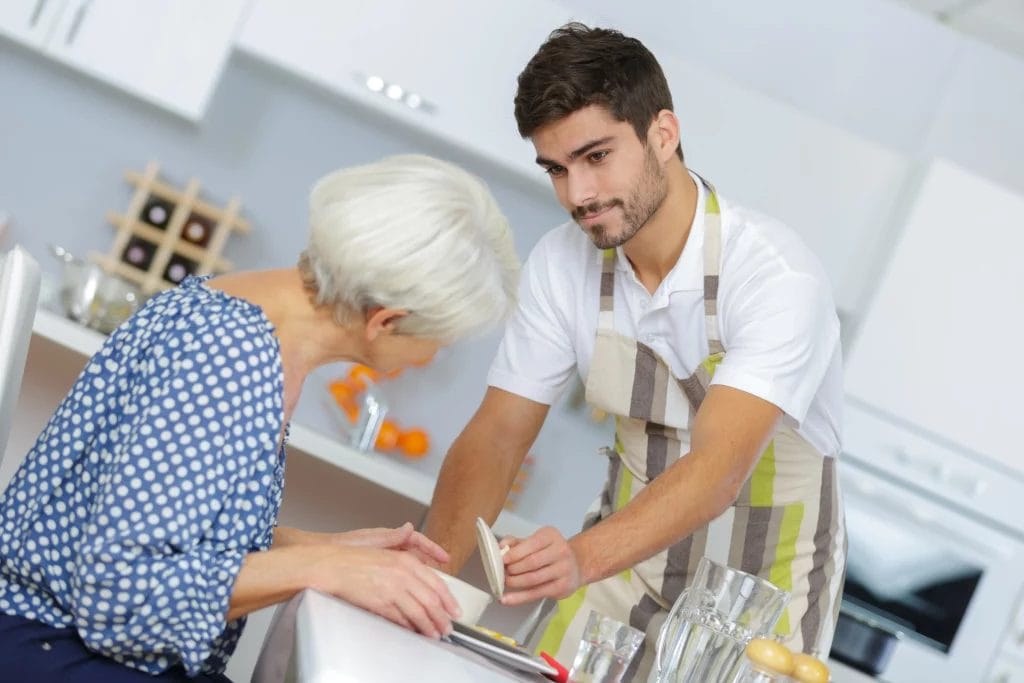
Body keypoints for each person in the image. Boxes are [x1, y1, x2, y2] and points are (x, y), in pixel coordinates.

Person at [423, 23, 846, 681]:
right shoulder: (562, 266)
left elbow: (718, 465)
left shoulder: (774, 277)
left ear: (664, 134)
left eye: (596, 157)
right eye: (557, 169)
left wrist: (581, 557)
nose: (577, 196)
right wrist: (430, 587)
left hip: (762, 601)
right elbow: (498, 435)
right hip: (620, 572)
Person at [0, 154, 521, 681]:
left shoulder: (243, 314)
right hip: (49, 647)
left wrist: (330, 548)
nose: (433, 357)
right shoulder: (229, 359)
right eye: (442, 342)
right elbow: (117, 595)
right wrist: (324, 568)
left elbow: (165, 528)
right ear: (385, 321)